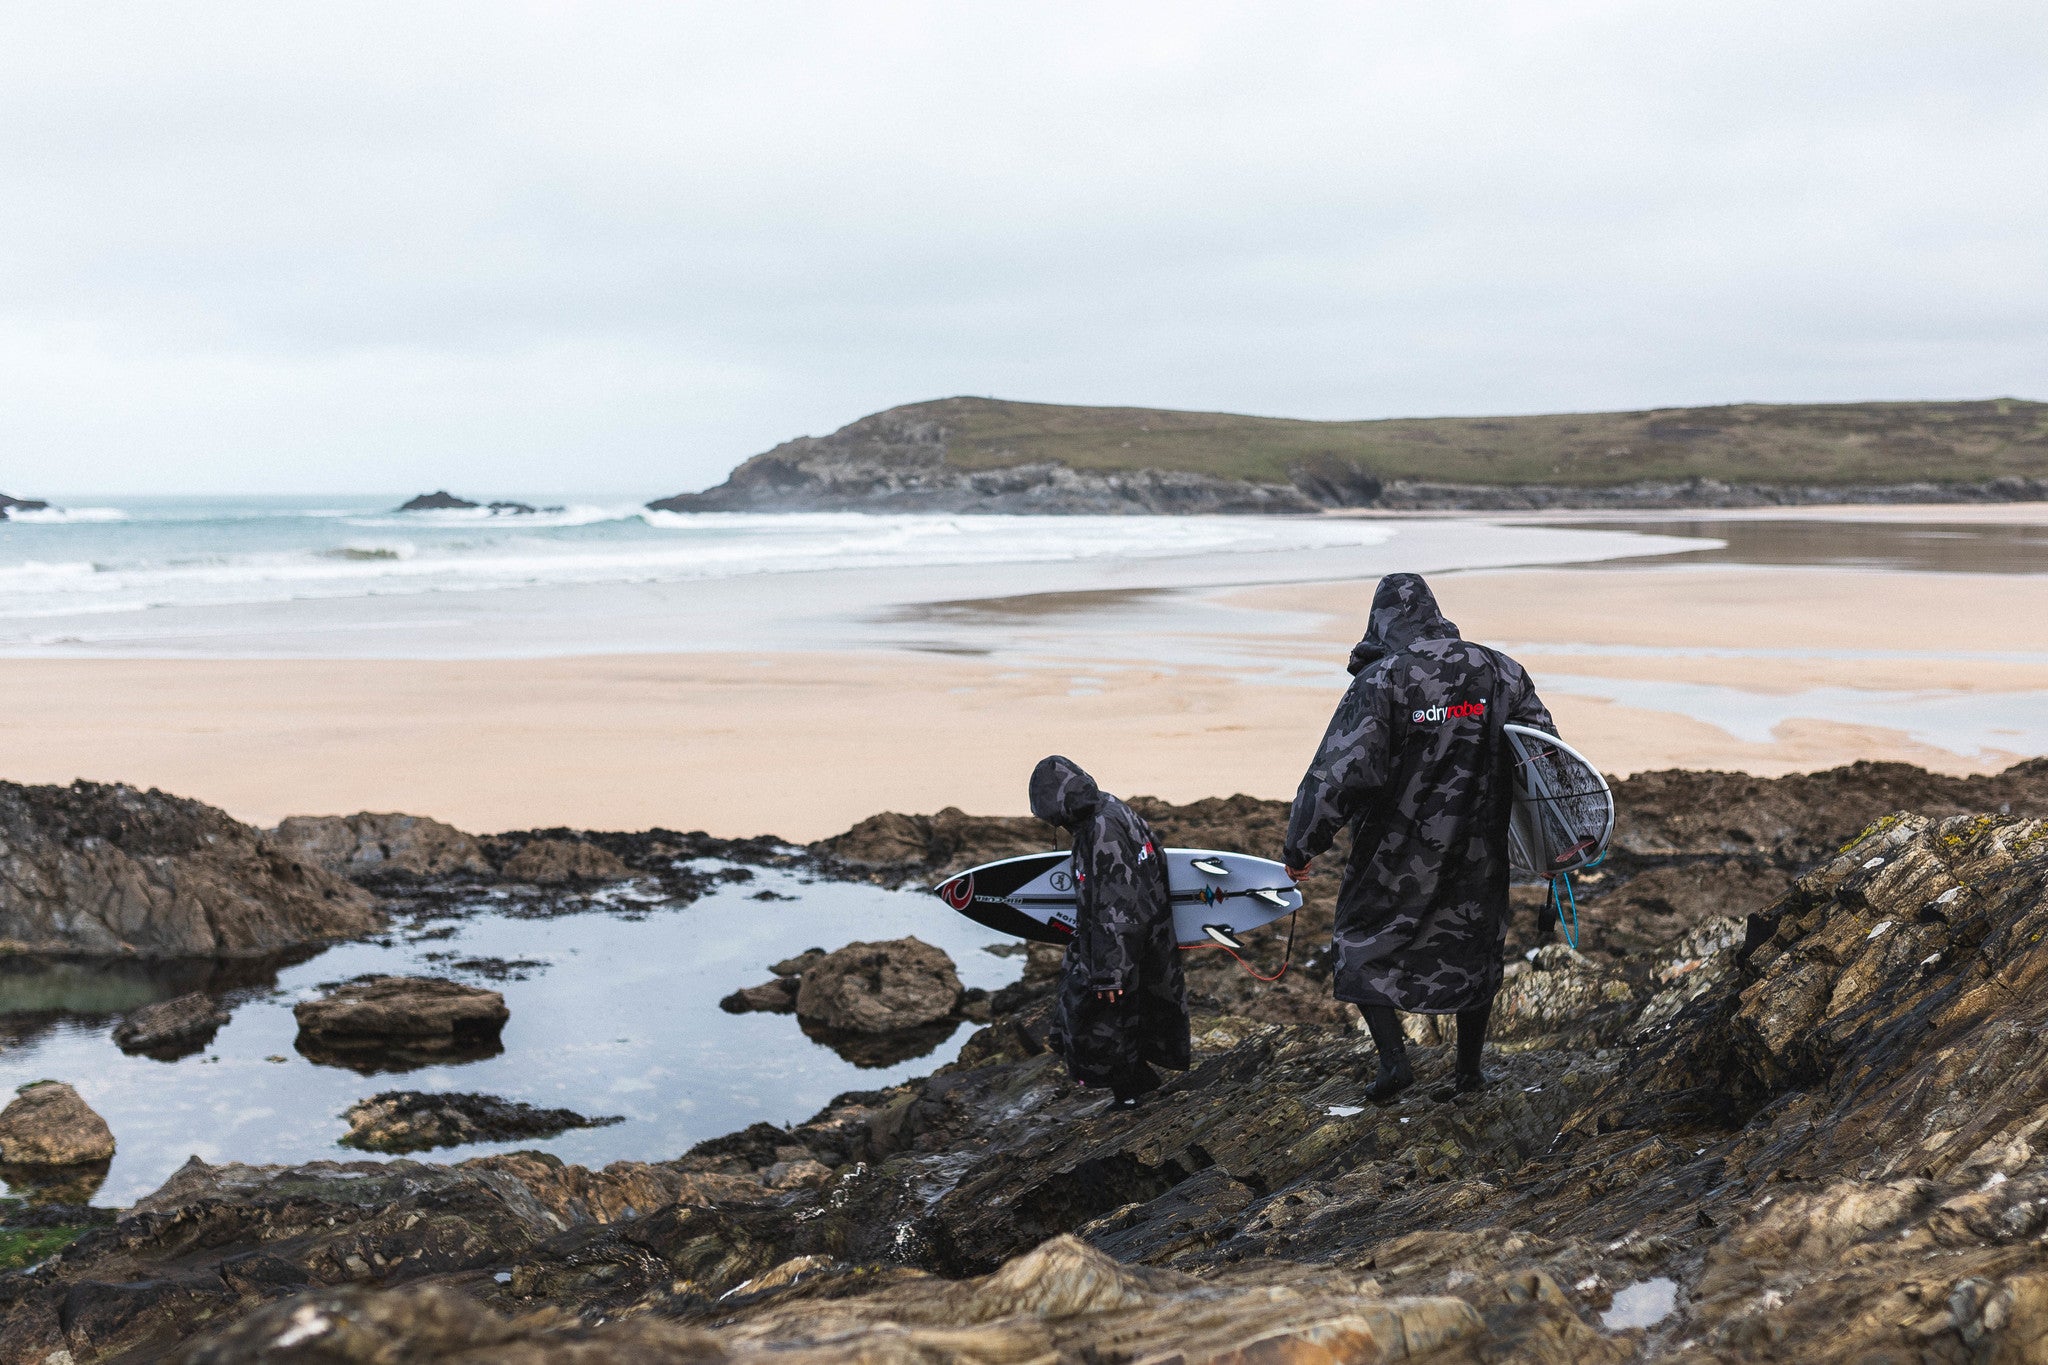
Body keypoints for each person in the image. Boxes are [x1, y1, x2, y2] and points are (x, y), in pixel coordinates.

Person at [1281, 573, 1555, 1103]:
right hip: (1478, 850)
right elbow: (1544, 760)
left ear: (1381, 621)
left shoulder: (1382, 680)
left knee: (1361, 940)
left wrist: (1300, 846)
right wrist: (1554, 845)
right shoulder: (1500, 670)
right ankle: (1468, 1075)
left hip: (1394, 852)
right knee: (1475, 947)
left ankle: (1394, 1065)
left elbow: (1337, 774)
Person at [1028, 754, 1190, 1107]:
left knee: (1102, 1022)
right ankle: (1135, 1089)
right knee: (1125, 1016)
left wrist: (1109, 973)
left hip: (1121, 946)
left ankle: (1132, 1097)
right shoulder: (1108, 809)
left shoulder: (1102, 833)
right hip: (1138, 941)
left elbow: (1115, 908)